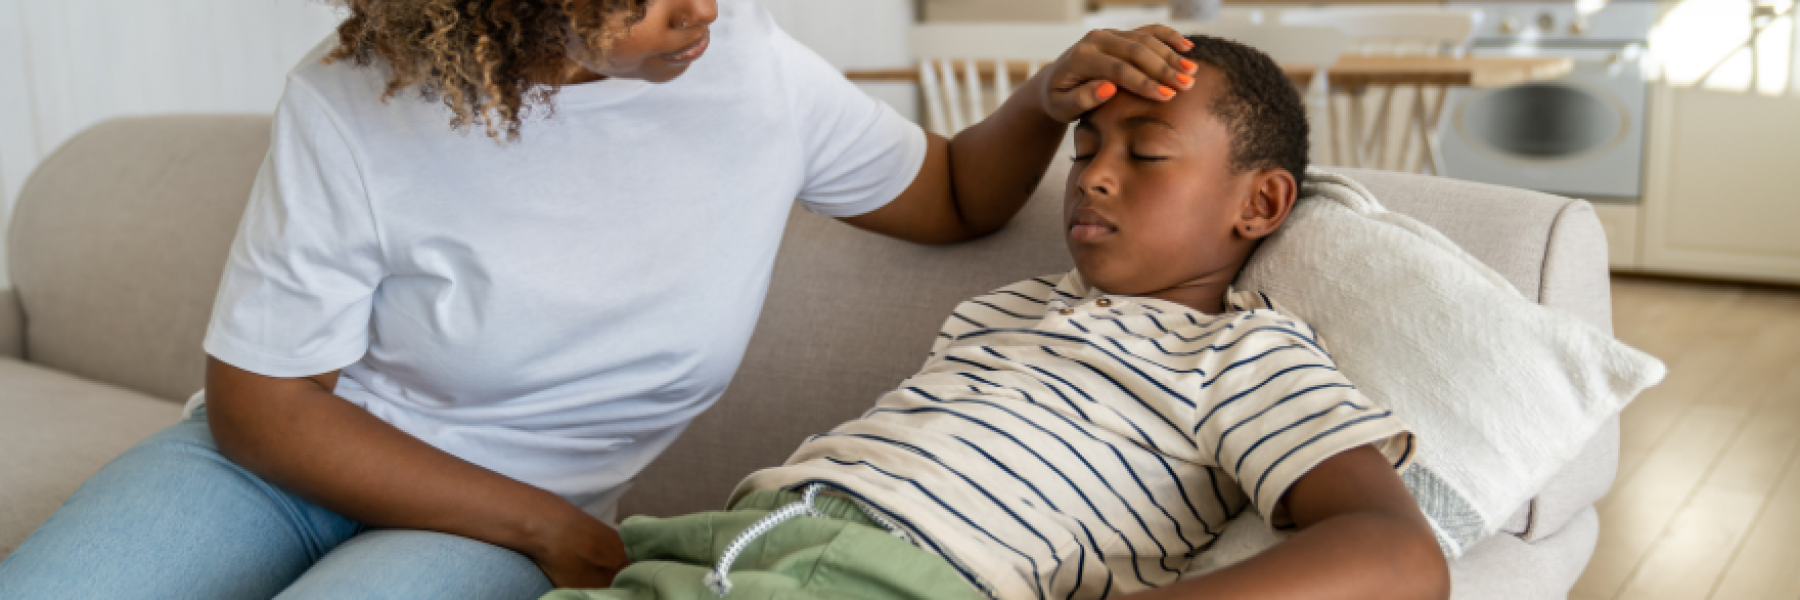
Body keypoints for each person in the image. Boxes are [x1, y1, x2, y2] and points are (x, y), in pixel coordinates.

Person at [0, 1, 1206, 598]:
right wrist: (552, 532)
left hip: (483, 516)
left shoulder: (752, 72)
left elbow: (946, 193)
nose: (700, 8)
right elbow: (263, 404)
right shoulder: (352, 98)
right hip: (262, 463)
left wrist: (1045, 101)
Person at [544, 34, 1450, 600]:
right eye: (1087, 148)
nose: (1091, 173)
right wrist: (1044, 99)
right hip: (716, 545)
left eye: (1148, 156)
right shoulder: (1010, 310)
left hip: (901, 575)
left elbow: (1397, 557)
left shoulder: (1245, 354)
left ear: (1259, 205)